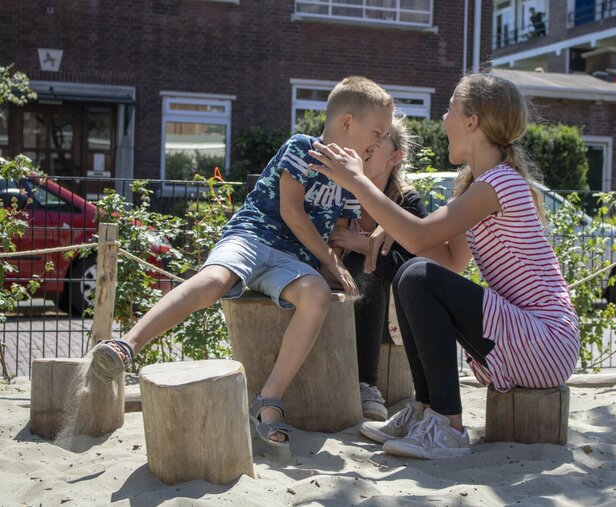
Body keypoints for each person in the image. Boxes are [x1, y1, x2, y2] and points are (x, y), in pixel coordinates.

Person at [91, 76, 394, 452]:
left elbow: (340, 232)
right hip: (252, 238)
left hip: (290, 260)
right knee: (214, 279)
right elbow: (292, 212)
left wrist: (343, 260)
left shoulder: (352, 179)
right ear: (347, 123)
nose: (380, 143)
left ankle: (269, 400)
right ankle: (126, 345)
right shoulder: (302, 147)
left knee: (316, 294)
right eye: (377, 132)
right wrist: (330, 261)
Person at [308, 73, 580, 459]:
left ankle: (448, 425)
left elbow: (419, 238)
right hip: (532, 341)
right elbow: (449, 260)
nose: (443, 118)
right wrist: (392, 229)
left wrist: (358, 183)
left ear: (472, 121)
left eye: (451, 107)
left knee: (416, 273)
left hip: (546, 341)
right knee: (409, 273)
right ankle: (425, 411)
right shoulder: (480, 185)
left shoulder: (498, 184)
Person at [328, 117, 429, 421]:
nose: (369, 144)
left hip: (392, 318)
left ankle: (366, 384)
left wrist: (360, 244)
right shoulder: (340, 193)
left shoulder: (405, 200)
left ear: (396, 156)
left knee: (366, 263)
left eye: (380, 138)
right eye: (370, 136)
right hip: (340, 308)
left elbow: (413, 270)